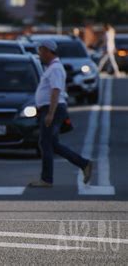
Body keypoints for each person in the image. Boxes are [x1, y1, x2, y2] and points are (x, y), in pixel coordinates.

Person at [29, 40, 93, 188]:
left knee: (45, 143)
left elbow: (56, 90)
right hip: (51, 108)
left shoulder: (56, 68)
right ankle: (84, 164)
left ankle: (46, 179)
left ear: (47, 51)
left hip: (53, 109)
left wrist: (50, 113)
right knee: (52, 144)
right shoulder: (52, 68)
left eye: (41, 51)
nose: (39, 55)